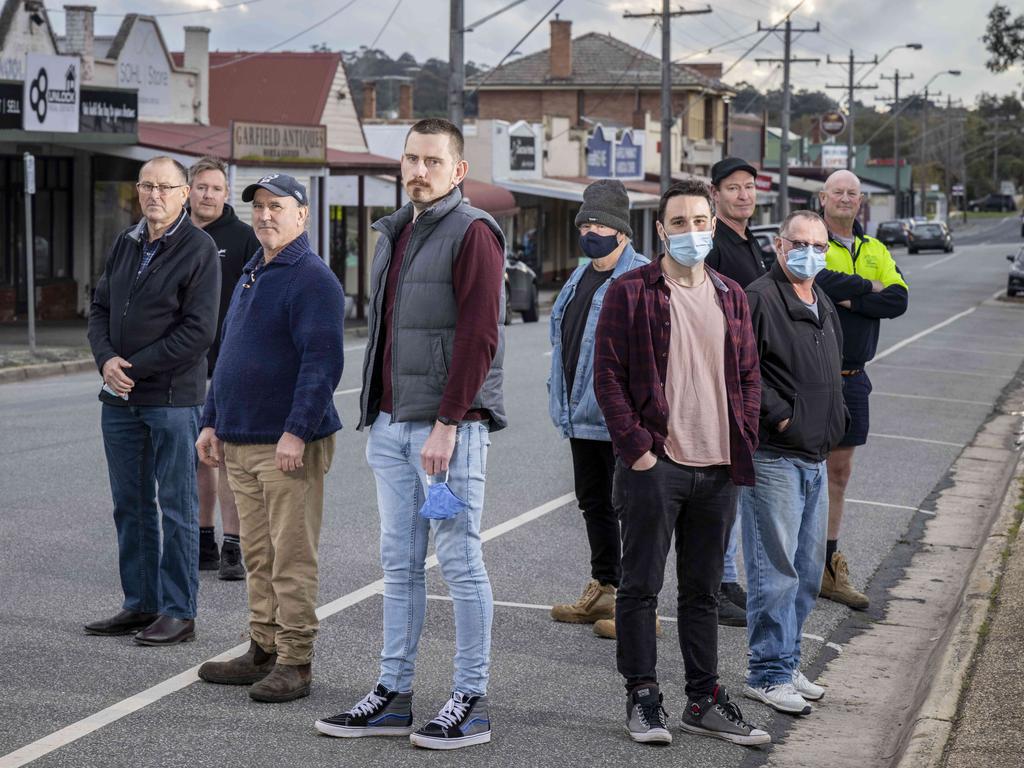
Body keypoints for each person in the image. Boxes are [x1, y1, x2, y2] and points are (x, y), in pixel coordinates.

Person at [315, 118, 505, 750]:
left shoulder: (473, 232)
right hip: (393, 426)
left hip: (446, 432)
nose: (418, 171)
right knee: (399, 566)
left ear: (458, 171)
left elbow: (480, 336)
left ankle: (470, 699)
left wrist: (448, 424)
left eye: (432, 161)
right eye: (411, 159)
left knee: (459, 562)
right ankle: (393, 694)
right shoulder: (397, 231)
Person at [593, 180, 768, 747]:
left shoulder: (732, 295)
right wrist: (639, 450)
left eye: (700, 221)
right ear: (661, 229)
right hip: (658, 464)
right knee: (640, 588)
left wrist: (743, 434)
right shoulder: (631, 292)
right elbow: (609, 378)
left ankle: (704, 699)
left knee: (702, 592)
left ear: (712, 226)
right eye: (680, 222)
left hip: (719, 467)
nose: (691, 231)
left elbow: (747, 377)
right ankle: (643, 697)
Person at [194, 173, 345, 703]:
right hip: (240, 437)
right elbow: (228, 352)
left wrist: (297, 432)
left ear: (302, 215)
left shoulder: (312, 278)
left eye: (277, 206)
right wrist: (212, 420)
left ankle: (296, 660)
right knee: (257, 553)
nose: (264, 215)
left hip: (285, 444)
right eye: (258, 206)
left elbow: (322, 364)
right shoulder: (255, 270)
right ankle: (262, 645)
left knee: (291, 556)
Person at [85, 156, 220, 646]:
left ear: (185, 194)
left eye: (166, 187)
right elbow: (99, 308)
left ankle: (178, 612)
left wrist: (132, 367)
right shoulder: (125, 242)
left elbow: (199, 332)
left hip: (169, 399)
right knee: (130, 504)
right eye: (147, 186)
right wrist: (105, 360)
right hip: (117, 397)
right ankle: (139, 603)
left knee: (177, 506)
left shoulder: (199, 249)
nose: (154, 195)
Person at [740, 210, 847, 715]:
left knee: (805, 571)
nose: (810, 252)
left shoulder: (821, 298)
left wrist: (835, 417)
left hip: (815, 454)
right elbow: (742, 372)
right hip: (775, 457)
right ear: (779, 246)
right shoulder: (760, 298)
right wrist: (782, 419)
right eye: (799, 243)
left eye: (819, 245)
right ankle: (766, 672)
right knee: (774, 570)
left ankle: (788, 662)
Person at [547, 179, 649, 637]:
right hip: (580, 415)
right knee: (594, 503)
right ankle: (605, 587)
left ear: (622, 232)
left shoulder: (642, 276)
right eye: (585, 222)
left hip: (621, 418)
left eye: (600, 224)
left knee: (631, 507)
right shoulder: (581, 273)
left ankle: (635, 604)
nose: (591, 231)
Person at [816, 169, 909, 610]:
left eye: (853, 193)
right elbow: (815, 282)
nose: (846, 198)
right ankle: (797, 563)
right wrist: (868, 290)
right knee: (802, 474)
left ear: (861, 201)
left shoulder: (874, 248)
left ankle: (829, 566)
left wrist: (853, 297)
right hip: (812, 379)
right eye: (839, 191)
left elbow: (899, 299)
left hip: (854, 379)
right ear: (823, 197)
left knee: (839, 474)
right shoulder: (812, 238)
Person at [187, 155, 260, 581]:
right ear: (189, 190)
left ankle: (233, 546)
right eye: (201, 187)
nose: (208, 195)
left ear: (226, 193)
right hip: (182, 371)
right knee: (198, 460)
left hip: (228, 369)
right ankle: (203, 539)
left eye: (216, 188)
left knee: (228, 458)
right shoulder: (173, 236)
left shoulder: (244, 238)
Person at [705, 156, 766, 627]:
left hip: (748, 379)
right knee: (722, 490)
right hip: (720, 380)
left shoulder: (752, 244)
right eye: (733, 188)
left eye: (749, 187)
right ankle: (716, 584)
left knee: (738, 488)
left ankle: (727, 580)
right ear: (716, 193)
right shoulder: (715, 245)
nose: (743, 195)